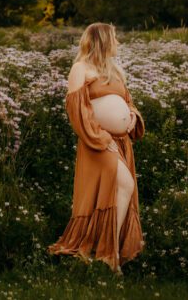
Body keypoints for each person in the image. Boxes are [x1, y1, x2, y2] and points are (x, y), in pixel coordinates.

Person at [47, 22, 145, 274]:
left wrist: (132, 116)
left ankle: (108, 253)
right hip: (98, 142)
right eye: (114, 38)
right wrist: (102, 139)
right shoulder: (80, 68)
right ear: (102, 41)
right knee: (125, 185)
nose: (118, 43)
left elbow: (127, 101)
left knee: (119, 190)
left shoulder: (114, 70)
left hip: (120, 141)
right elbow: (77, 111)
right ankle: (106, 253)